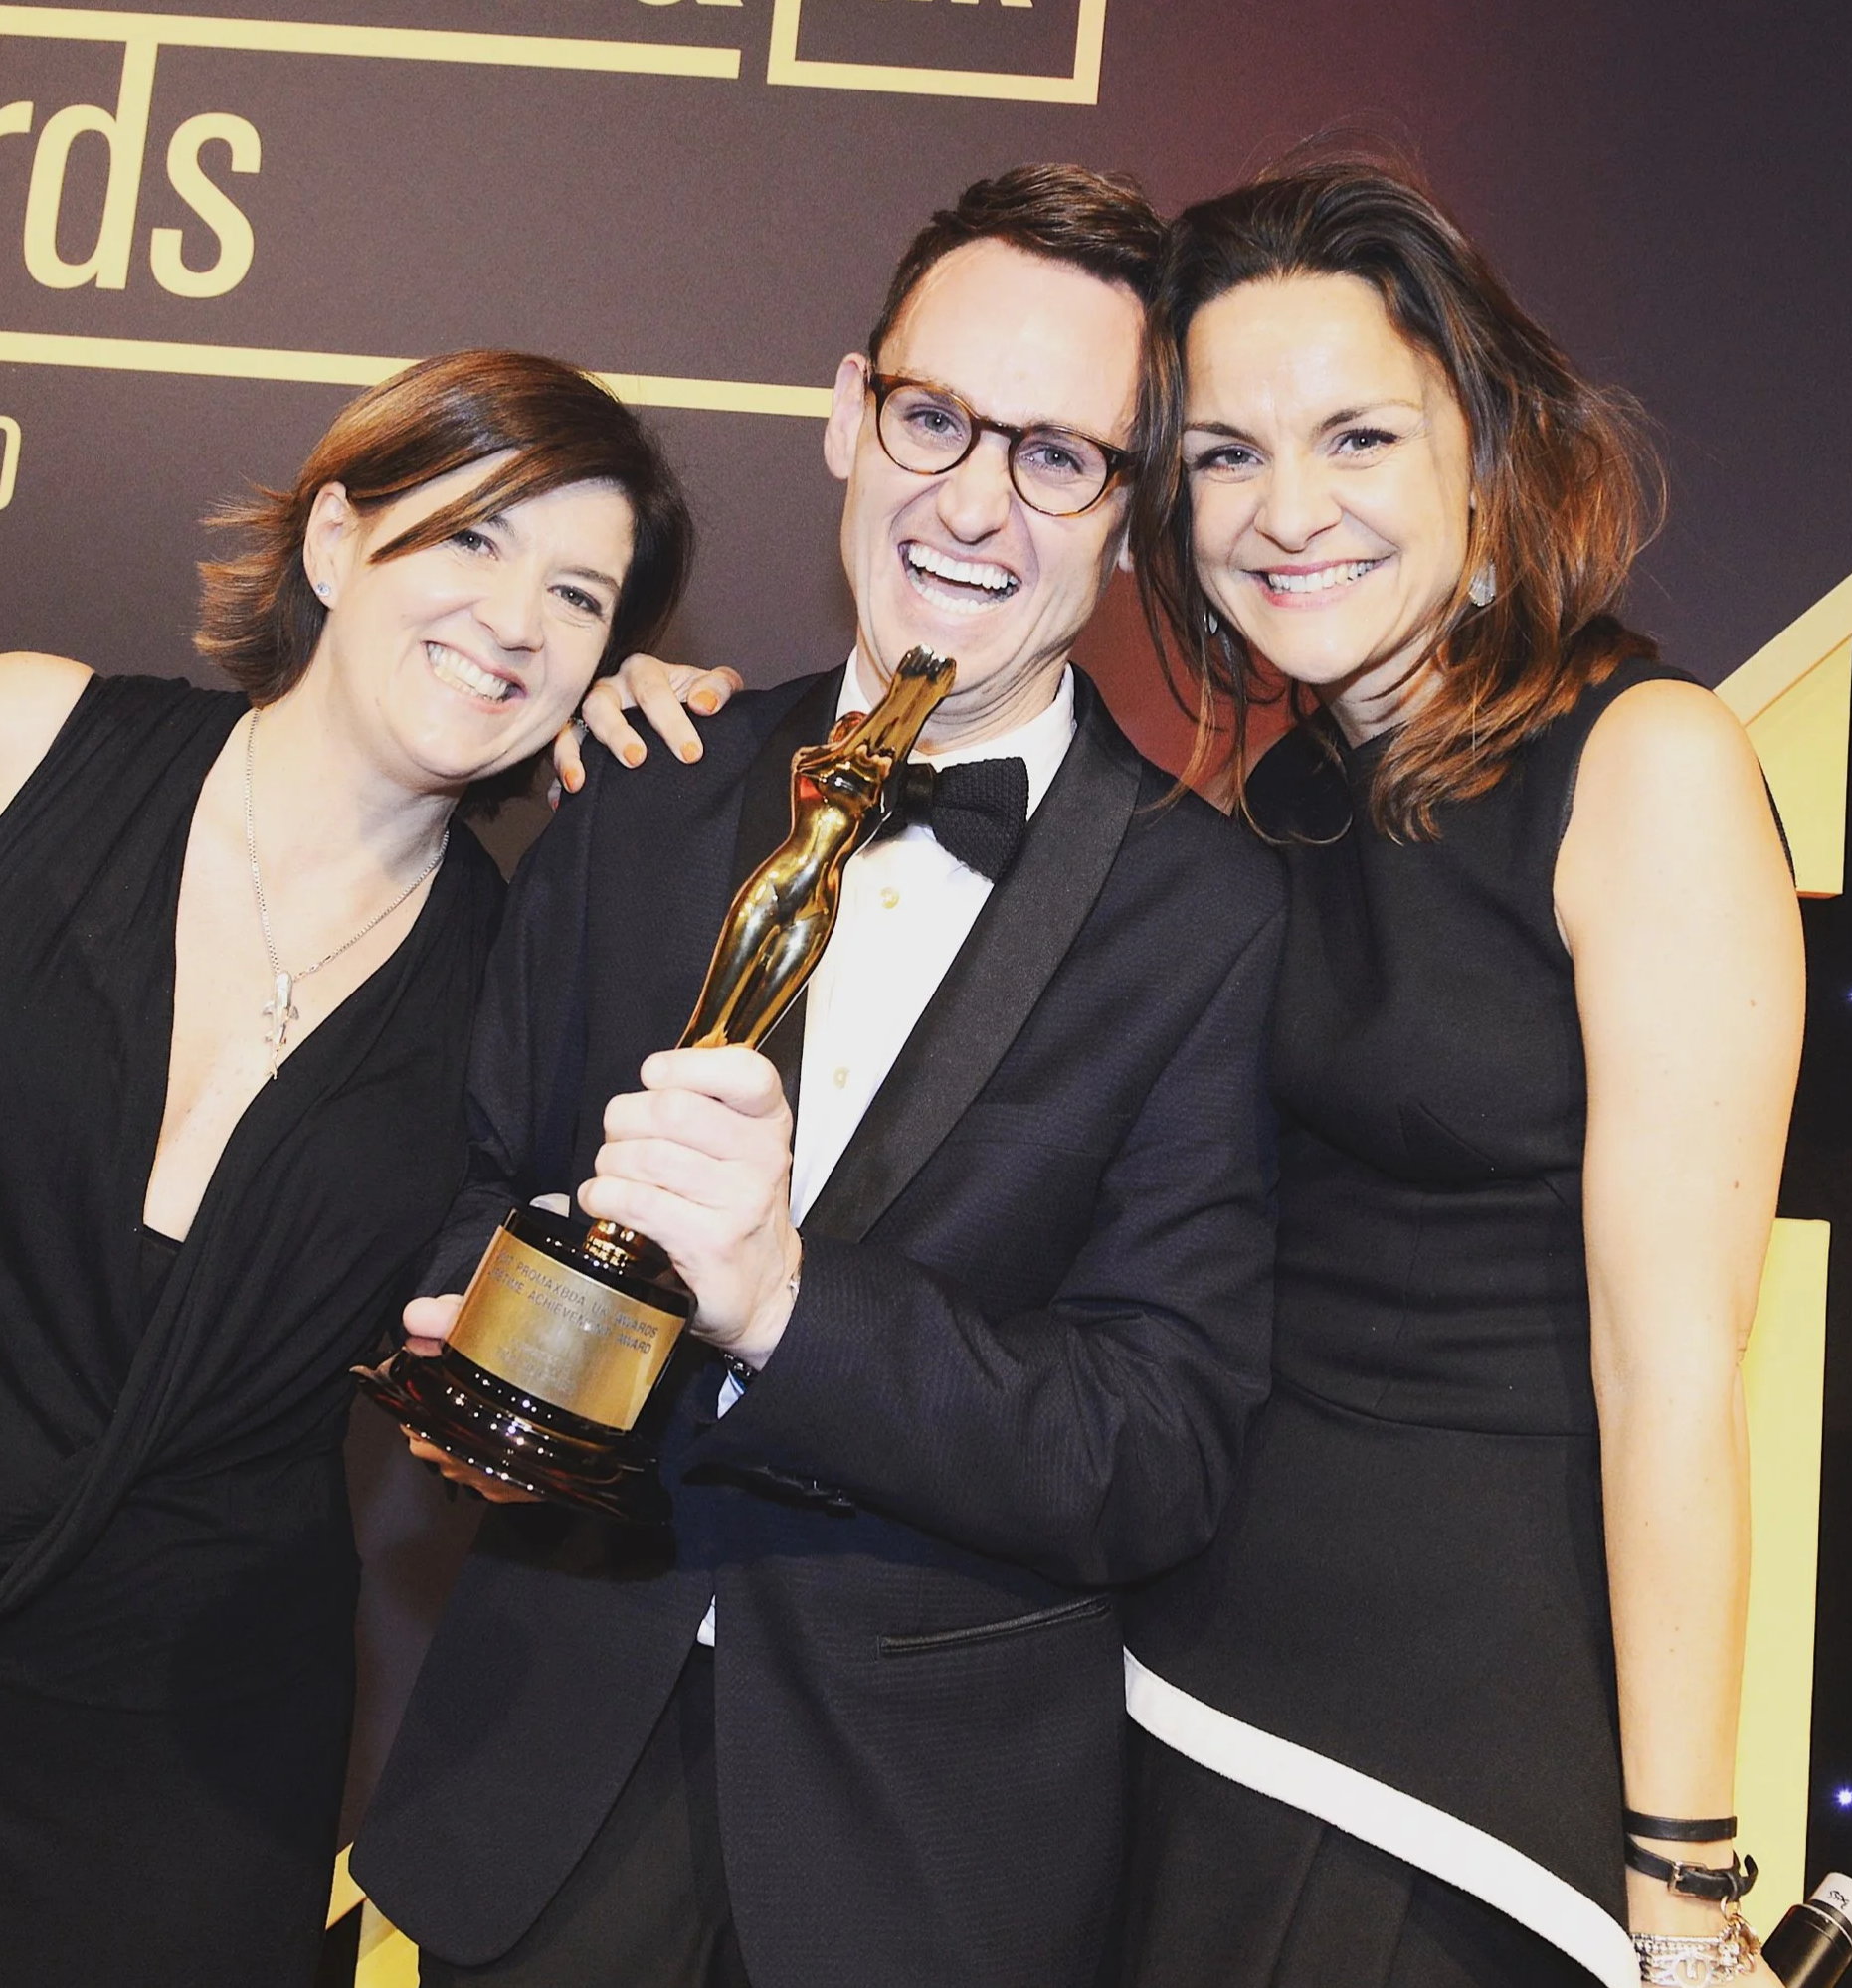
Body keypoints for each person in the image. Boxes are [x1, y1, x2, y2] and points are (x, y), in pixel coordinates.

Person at [349, 165, 1286, 1988]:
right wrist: (494, 1301)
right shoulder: (640, 776)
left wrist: (783, 1301)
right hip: (535, 1795)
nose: (972, 501)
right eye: (936, 417)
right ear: (850, 414)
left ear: (1125, 513)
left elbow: (1155, 1447)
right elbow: (482, 1174)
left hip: (920, 1865)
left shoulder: (1211, 915)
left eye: (1057, 454)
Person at [1113, 153, 1805, 1988]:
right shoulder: (1262, 811)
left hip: (1462, 1775)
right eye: (1224, 455)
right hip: (1183, 1697)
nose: (1286, 510)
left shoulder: (1643, 762)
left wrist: (1684, 1886)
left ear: (1482, 461)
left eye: (1355, 436)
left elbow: (1669, 1373)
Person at [0, 348, 696, 1988]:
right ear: (331, 545)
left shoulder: (529, 987)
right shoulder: (28, 737)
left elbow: (519, 1363)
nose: (517, 617)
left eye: (579, 595)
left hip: (181, 1760)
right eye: (470, 538)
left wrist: (698, 776)